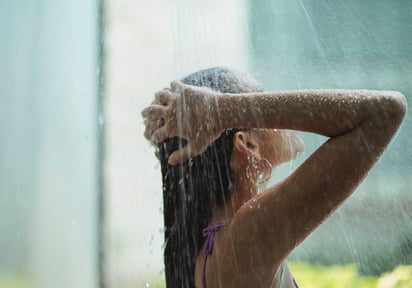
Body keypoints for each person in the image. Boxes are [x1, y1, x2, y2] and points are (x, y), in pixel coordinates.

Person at [142, 67, 407, 288]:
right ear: (247, 144)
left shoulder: (224, 241)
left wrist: (220, 111)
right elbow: (384, 111)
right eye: (258, 101)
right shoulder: (244, 237)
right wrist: (221, 110)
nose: (275, 108)